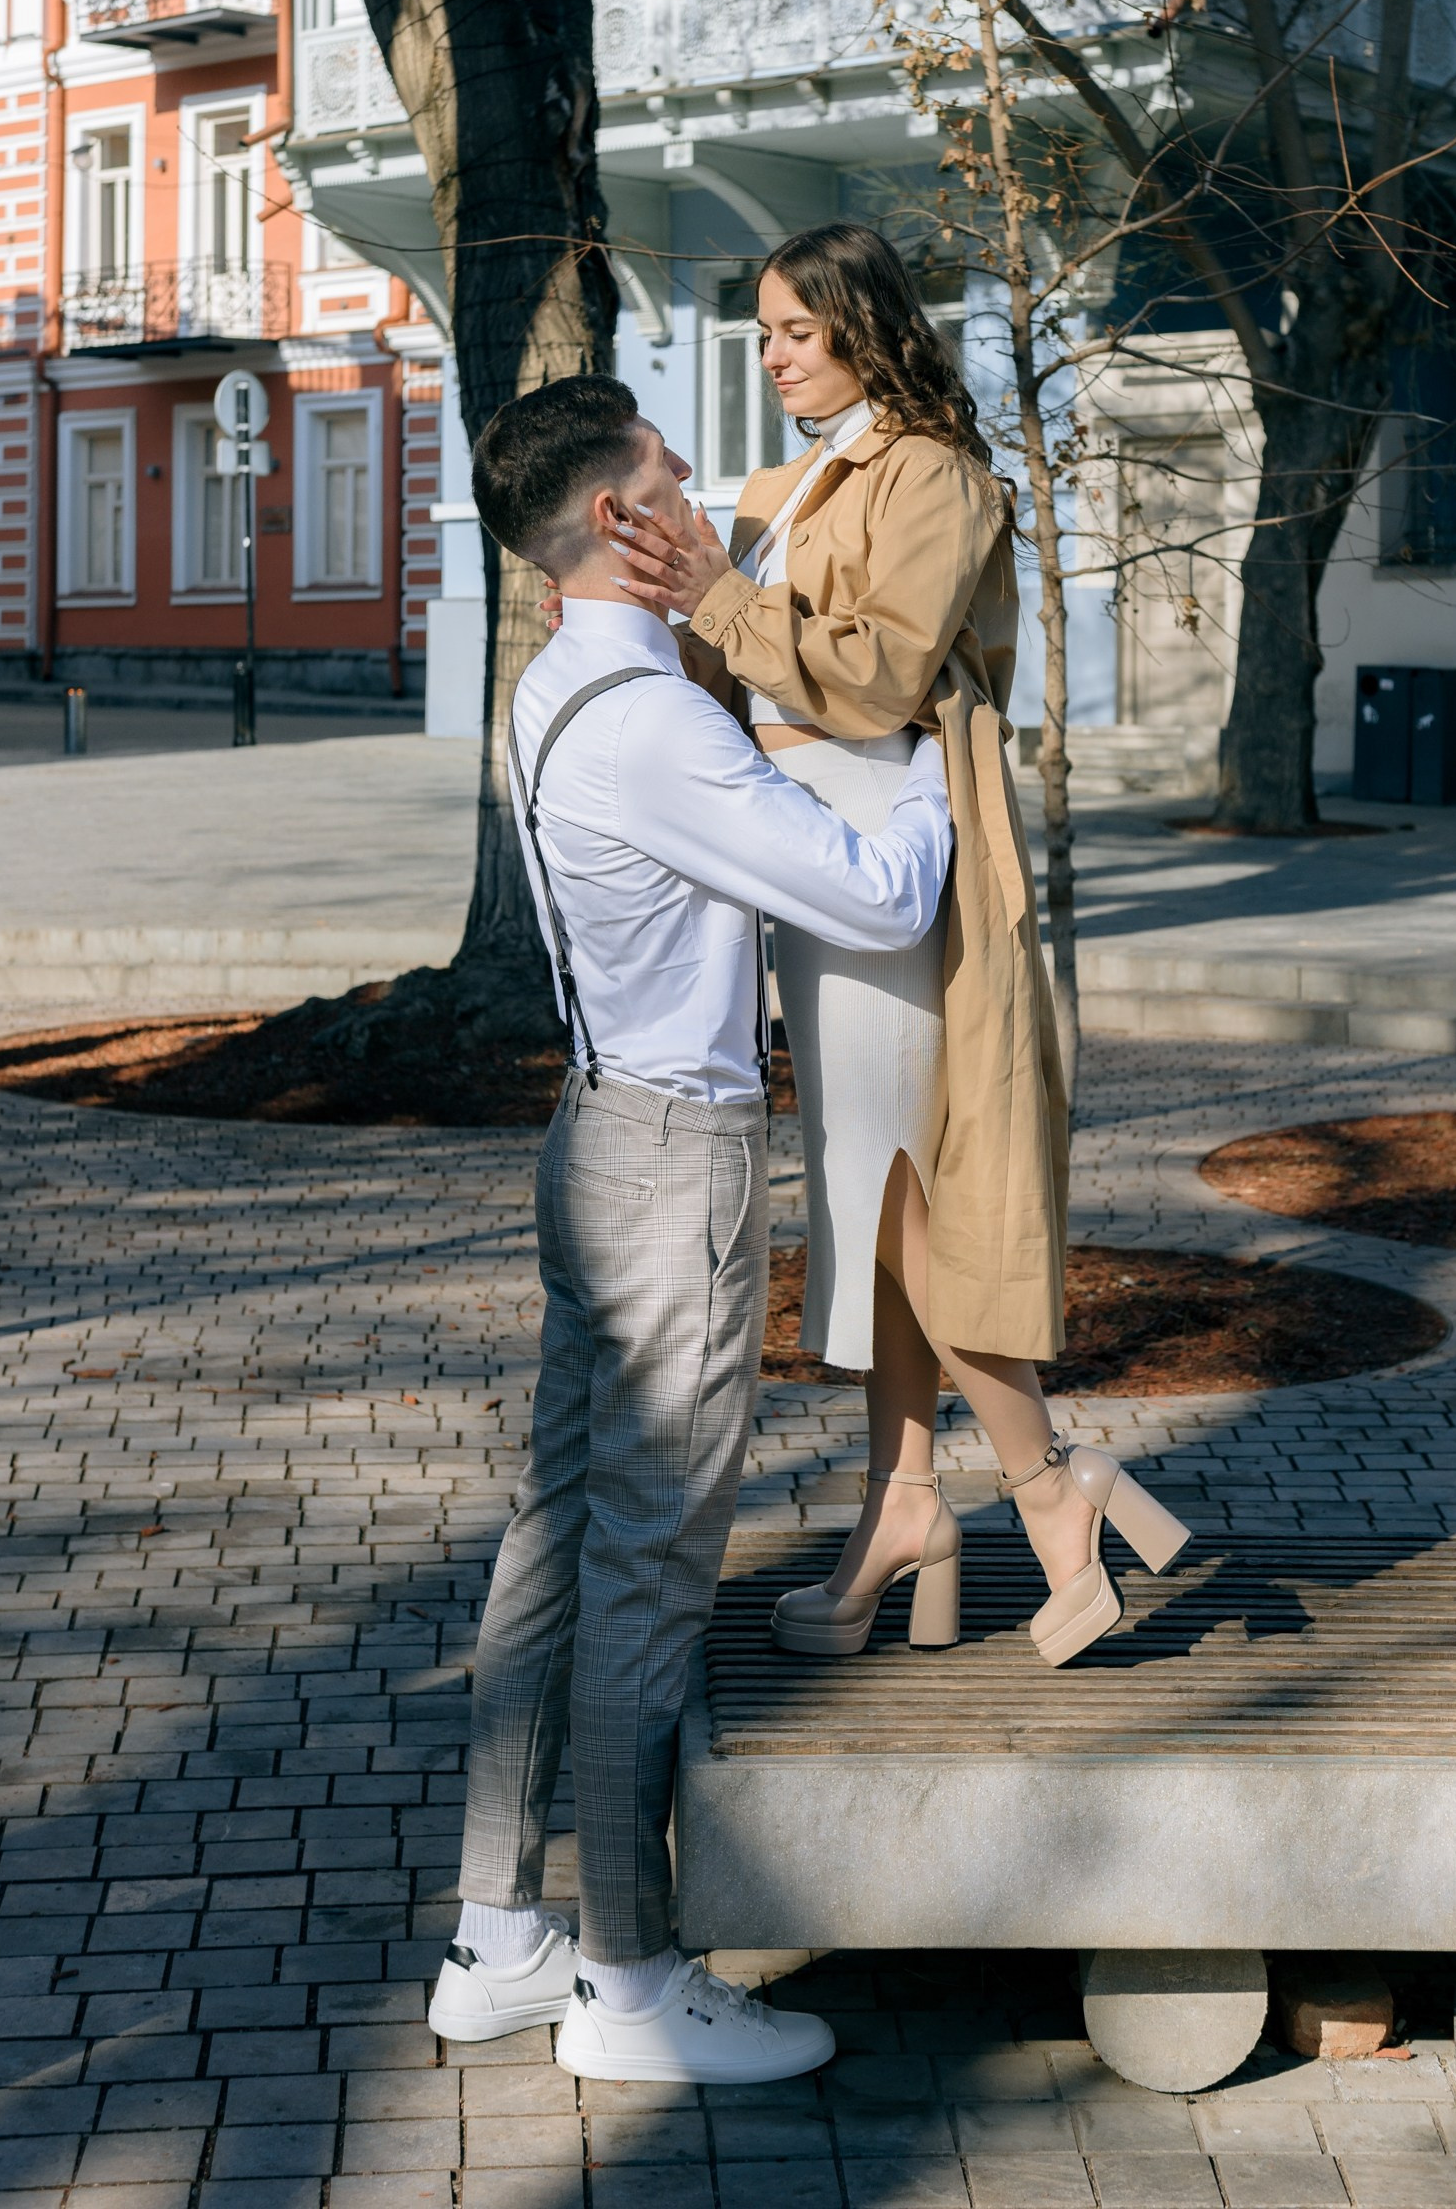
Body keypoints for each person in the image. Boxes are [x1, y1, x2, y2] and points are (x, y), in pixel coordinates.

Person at [426, 373, 955, 2088]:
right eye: (666, 469)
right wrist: (942, 751)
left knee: (557, 1540)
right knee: (648, 1569)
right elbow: (878, 891)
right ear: (614, 525)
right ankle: (636, 1987)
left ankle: (498, 1941)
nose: (700, 481)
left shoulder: (561, 684)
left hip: (593, 1136)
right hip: (672, 1160)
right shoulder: (654, 722)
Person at [611, 224, 1188, 1675]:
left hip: (885, 846)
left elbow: (870, 682)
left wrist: (708, 593)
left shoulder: (928, 474)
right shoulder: (782, 481)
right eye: (760, 333)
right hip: (803, 853)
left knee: (894, 1200)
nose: (773, 354)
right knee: (866, 1198)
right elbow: (734, 660)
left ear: (868, 329)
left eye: (796, 329)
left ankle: (1050, 1491)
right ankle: (903, 1506)